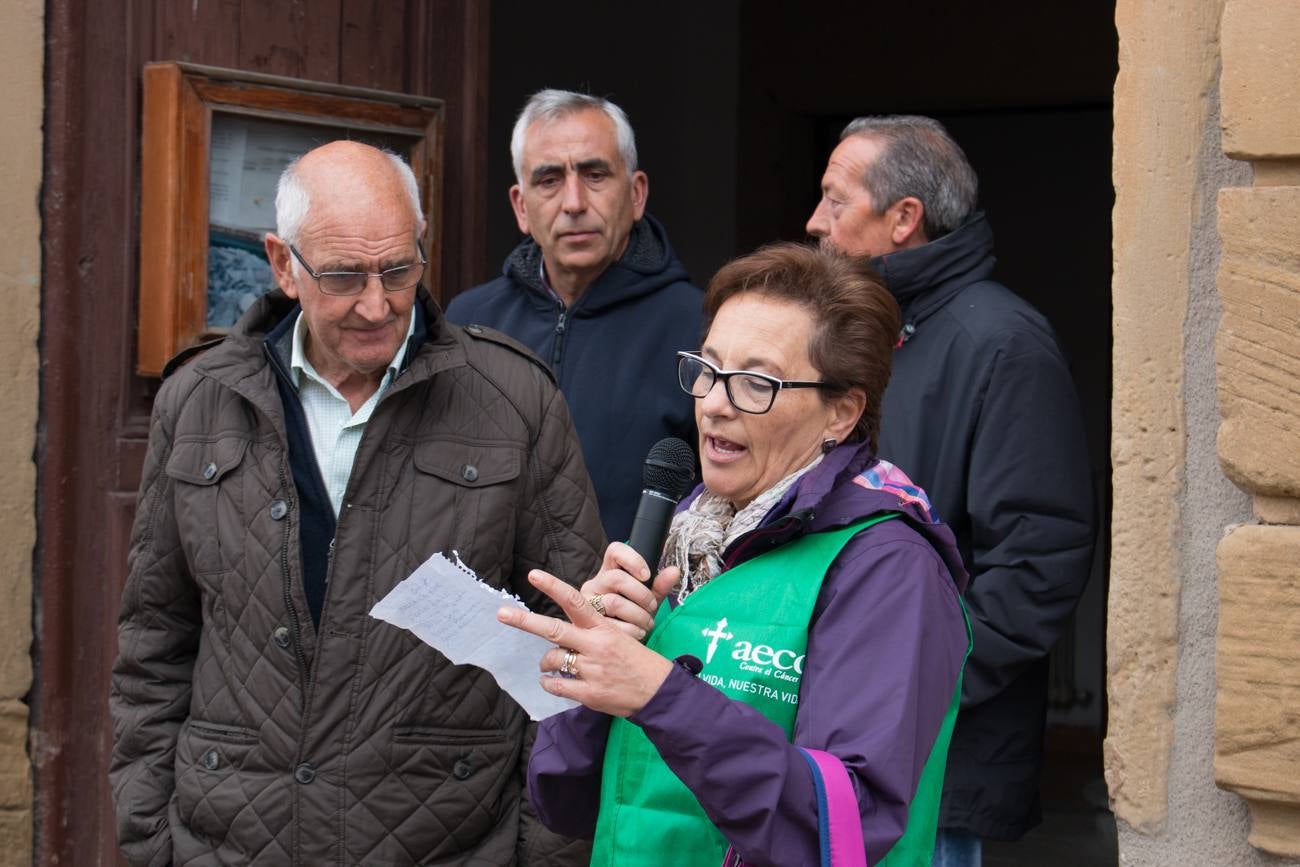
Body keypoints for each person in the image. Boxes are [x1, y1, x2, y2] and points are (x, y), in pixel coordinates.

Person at [109, 141, 606, 866]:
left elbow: (571, 649)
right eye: (343, 275)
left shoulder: (514, 399)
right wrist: (151, 836)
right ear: (283, 264)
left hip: (450, 839)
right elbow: (155, 641)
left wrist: (544, 851)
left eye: (399, 269)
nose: (378, 304)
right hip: (230, 839)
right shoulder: (199, 400)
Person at [499, 243, 972, 866]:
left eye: (757, 382)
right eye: (709, 369)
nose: (715, 402)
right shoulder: (686, 537)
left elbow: (845, 828)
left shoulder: (888, 567)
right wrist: (595, 676)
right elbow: (565, 801)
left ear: (843, 411)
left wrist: (659, 694)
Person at [806, 115, 1097, 864]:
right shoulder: (866, 334)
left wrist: (907, 685)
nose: (815, 223)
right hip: (833, 740)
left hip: (931, 760)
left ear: (904, 218)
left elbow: (1040, 561)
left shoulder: (1001, 343)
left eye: (837, 201)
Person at [446, 89, 703, 543]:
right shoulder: (469, 322)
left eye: (595, 174)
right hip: (492, 607)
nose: (574, 202)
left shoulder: (700, 325)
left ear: (637, 192)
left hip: (632, 607)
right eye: (548, 180)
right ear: (521, 207)